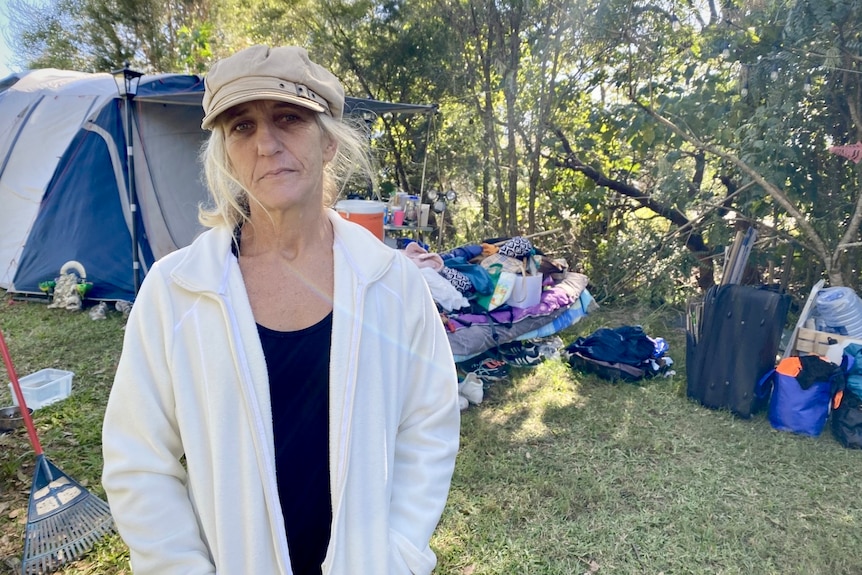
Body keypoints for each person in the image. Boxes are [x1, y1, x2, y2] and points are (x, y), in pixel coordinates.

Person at [102, 45, 460, 575]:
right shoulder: (175, 291)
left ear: (328, 140)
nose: (266, 144)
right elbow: (139, 460)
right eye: (241, 127)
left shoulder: (393, 283)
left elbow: (428, 424)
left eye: (288, 118)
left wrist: (400, 554)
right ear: (224, 153)